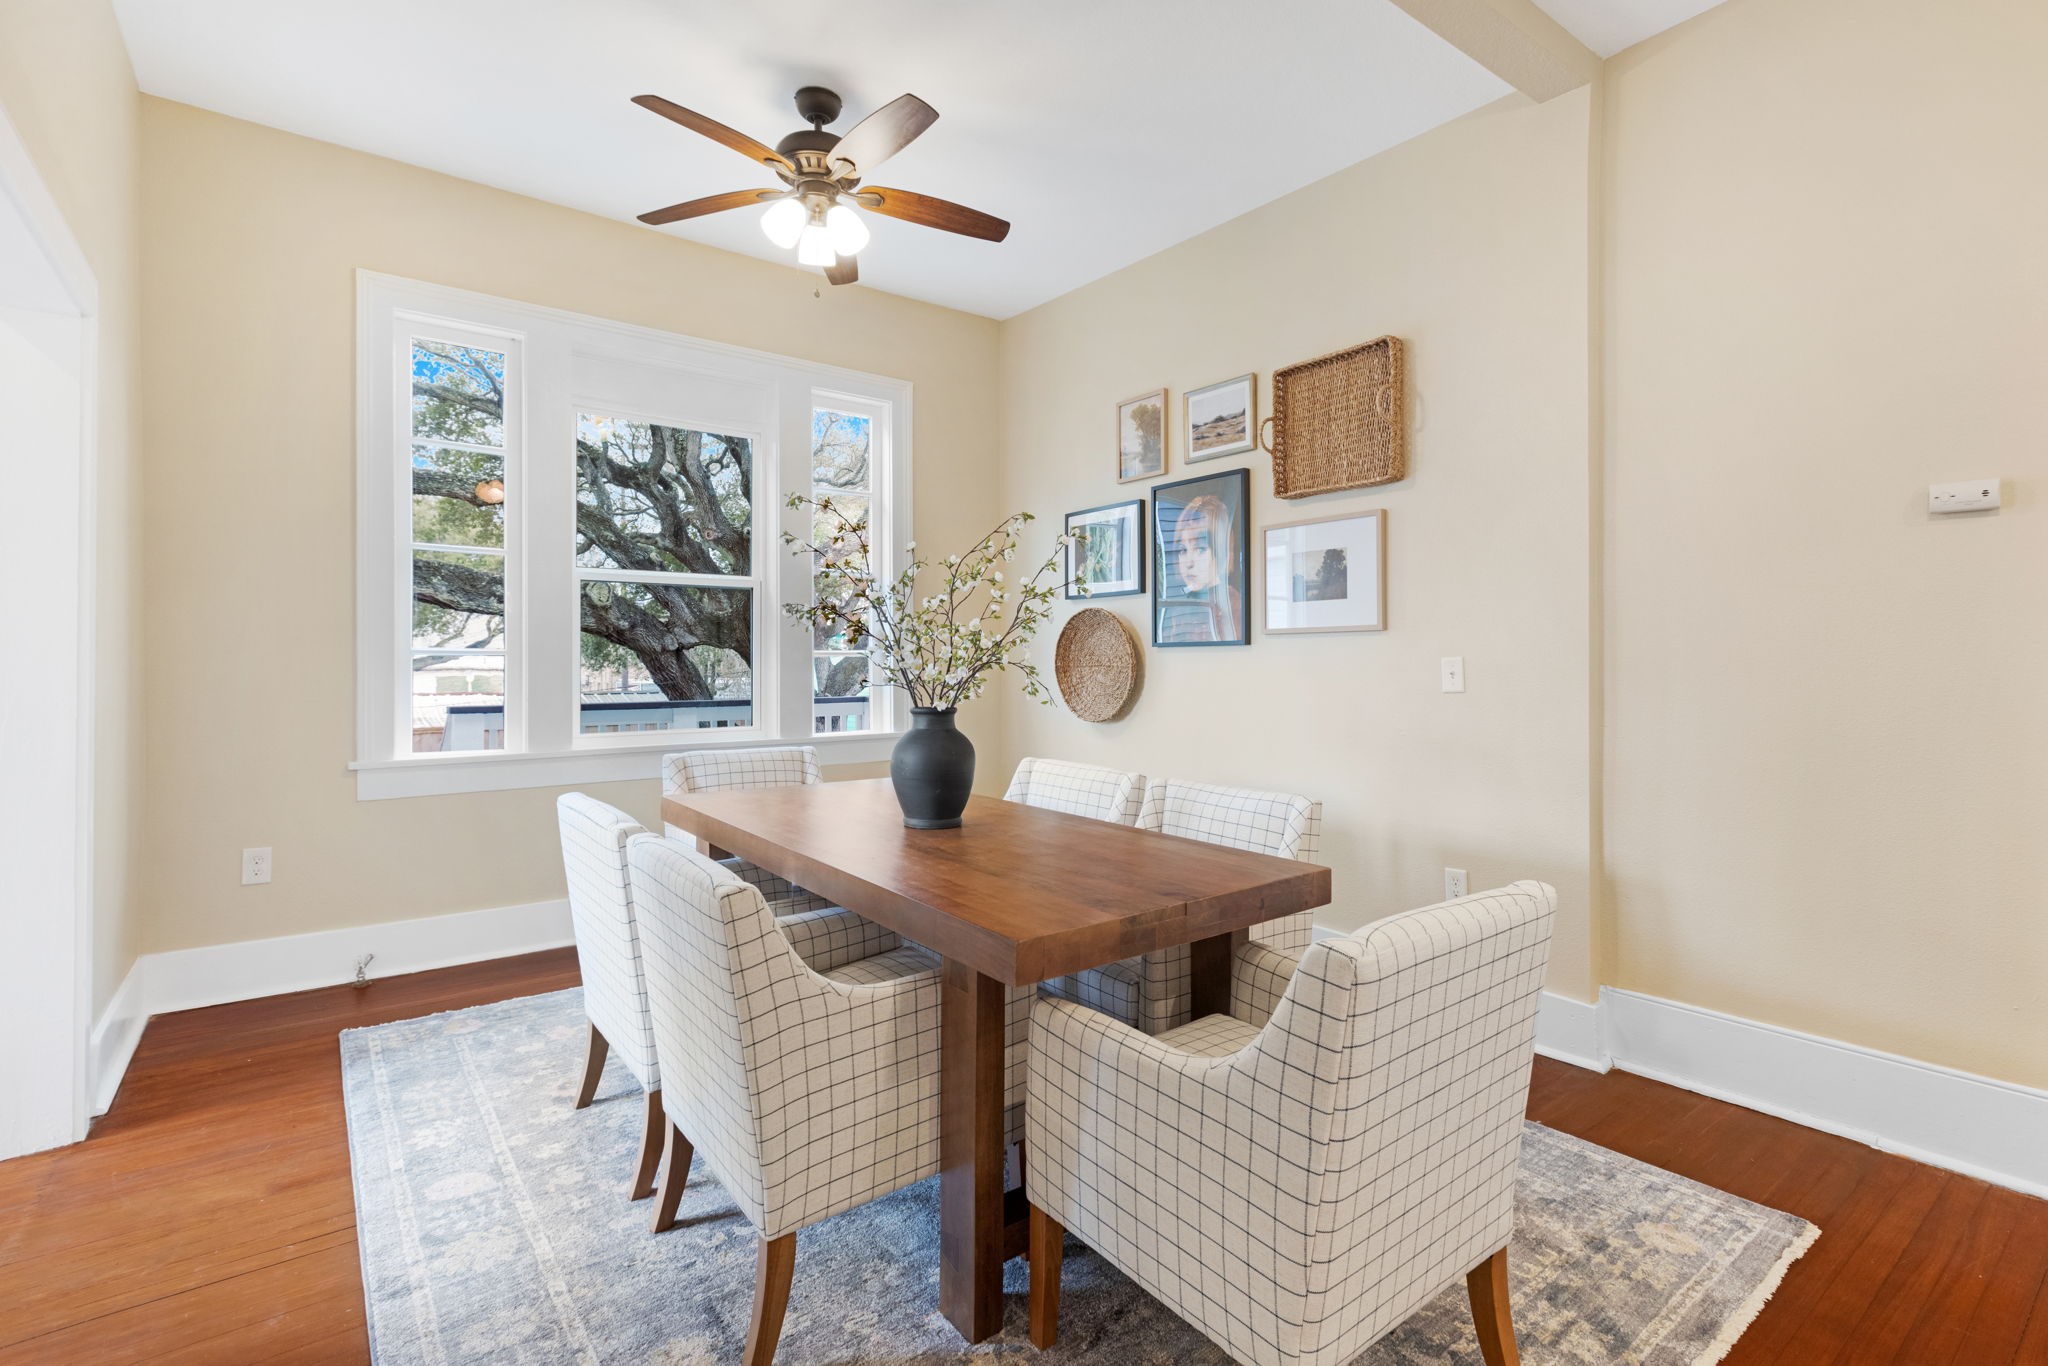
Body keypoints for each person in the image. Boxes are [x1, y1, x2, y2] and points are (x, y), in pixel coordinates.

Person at [1157, 493, 1243, 643]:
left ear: (1221, 551)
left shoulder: (1232, 605)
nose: (1189, 562)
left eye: (1200, 549)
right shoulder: (1179, 609)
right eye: (1183, 550)